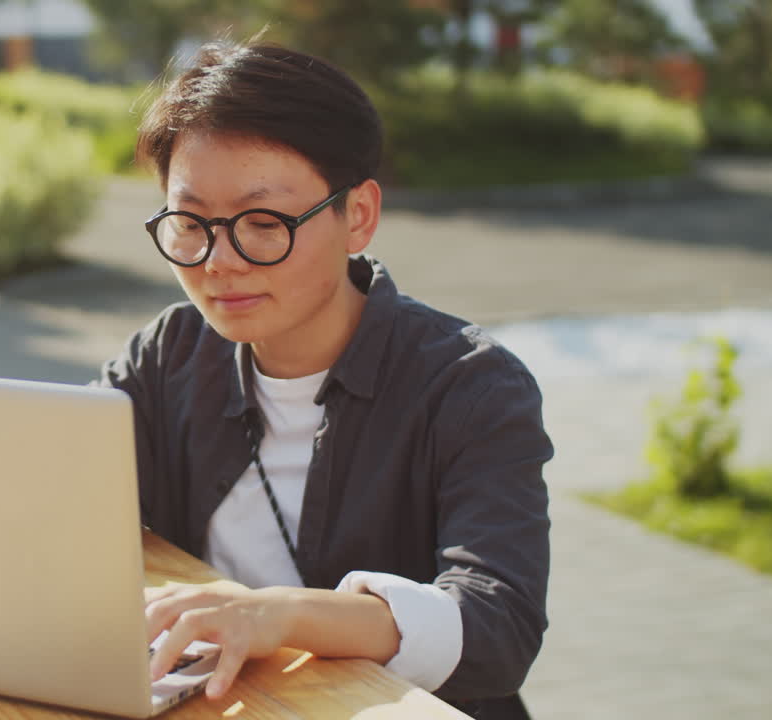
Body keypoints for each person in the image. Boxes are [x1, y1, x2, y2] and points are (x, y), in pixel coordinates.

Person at [98, 40, 552, 720]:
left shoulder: (471, 385)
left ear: (358, 217)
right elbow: (60, 497)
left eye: (263, 223)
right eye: (190, 224)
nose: (220, 262)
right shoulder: (171, 352)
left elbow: (496, 626)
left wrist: (276, 616)